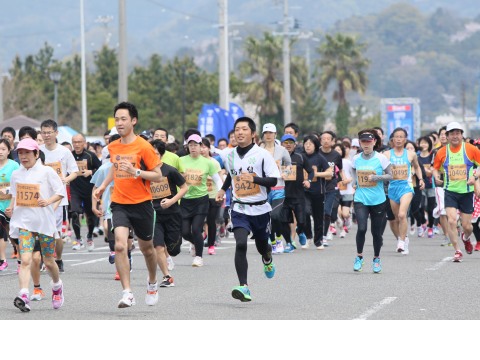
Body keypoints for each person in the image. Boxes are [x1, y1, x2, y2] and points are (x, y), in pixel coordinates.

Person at [93, 102, 162, 308]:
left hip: (142, 204)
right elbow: (115, 168)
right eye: (117, 119)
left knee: (147, 249)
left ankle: (152, 282)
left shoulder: (144, 146)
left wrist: (136, 172)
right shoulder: (113, 147)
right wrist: (104, 185)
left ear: (133, 120)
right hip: (120, 203)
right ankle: (127, 292)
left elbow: (158, 176)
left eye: (124, 119)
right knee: (120, 245)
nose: (120, 123)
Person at [215, 116, 280, 302]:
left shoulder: (262, 155)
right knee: (241, 243)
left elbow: (273, 180)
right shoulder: (229, 155)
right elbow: (232, 176)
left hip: (260, 209)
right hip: (239, 208)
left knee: (262, 246)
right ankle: (244, 287)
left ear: (253, 134)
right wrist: (222, 189)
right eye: (237, 129)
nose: (240, 132)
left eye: (244, 129)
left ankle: (267, 258)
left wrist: (254, 179)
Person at [7, 138, 66, 312]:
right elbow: (15, 194)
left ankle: (57, 286)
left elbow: (60, 192)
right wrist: (11, 206)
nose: (23, 156)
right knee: (25, 260)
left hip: (44, 223)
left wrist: (47, 201)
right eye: (20, 153)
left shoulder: (47, 172)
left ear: (36, 153)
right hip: (24, 223)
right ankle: (24, 295)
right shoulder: (16, 174)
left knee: (48, 261)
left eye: (27, 153)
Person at [432, 121, 480, 262]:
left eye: (457, 133)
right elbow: (435, 168)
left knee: (467, 226)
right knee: (452, 221)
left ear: (461, 135)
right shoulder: (442, 152)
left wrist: (474, 177)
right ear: (447, 136)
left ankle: (466, 238)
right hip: (450, 191)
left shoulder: (471, 149)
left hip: (466, 192)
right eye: (452, 133)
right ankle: (457, 251)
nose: (455, 136)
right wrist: (436, 176)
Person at [39, 119, 79, 272]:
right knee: (42, 231)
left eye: (49, 132)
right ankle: (45, 259)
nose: (47, 135)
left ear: (56, 133)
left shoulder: (64, 151)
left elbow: (74, 171)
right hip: (41, 197)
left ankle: (59, 258)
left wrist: (65, 179)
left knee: (55, 233)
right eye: (44, 132)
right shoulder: (38, 150)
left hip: (58, 199)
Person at [179, 134, 223, 267]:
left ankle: (198, 257)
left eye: (196, 145)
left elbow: (217, 179)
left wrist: (221, 193)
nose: (193, 148)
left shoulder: (208, 162)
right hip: (185, 200)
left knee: (196, 229)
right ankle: (196, 242)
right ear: (187, 146)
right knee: (185, 231)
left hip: (201, 200)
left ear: (200, 147)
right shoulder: (181, 160)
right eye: (190, 145)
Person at [351, 130, 392, 273]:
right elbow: (353, 171)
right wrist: (354, 182)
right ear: (360, 143)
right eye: (363, 142)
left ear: (374, 142)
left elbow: (391, 175)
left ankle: (376, 258)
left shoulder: (381, 158)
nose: (366, 145)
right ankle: (359, 257)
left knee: (376, 233)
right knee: (361, 228)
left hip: (378, 199)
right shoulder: (356, 158)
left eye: (369, 142)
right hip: (361, 198)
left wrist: (376, 178)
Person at [150, 140, 187, 287]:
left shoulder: (170, 170)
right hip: (154, 215)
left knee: (174, 249)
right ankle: (167, 276)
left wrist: (171, 201)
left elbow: (184, 188)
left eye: (156, 154)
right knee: (157, 246)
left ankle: (170, 253)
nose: (153, 156)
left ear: (161, 155)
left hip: (172, 213)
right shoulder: (146, 172)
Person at [383, 127, 424, 255]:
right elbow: (380, 170)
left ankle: (401, 241)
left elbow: (417, 168)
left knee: (402, 214)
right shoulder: (387, 154)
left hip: (406, 187)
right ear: (393, 139)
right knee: (396, 217)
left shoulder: (410, 154)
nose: (399, 139)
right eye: (397, 137)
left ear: (405, 139)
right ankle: (404, 239)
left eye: (401, 137)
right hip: (392, 188)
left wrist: (421, 179)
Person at [260, 123, 291, 253]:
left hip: (278, 187)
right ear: (263, 135)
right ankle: (272, 241)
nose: (268, 135)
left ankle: (279, 239)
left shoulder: (282, 150)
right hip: (263, 189)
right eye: (266, 133)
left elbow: (289, 165)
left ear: (275, 135)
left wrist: (286, 173)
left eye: (271, 133)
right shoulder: (258, 150)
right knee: (267, 217)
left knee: (275, 215)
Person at [279, 134, 313, 252]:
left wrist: (308, 180)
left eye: (290, 142)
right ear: (281, 144)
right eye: (285, 142)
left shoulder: (301, 157)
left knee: (302, 221)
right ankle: (289, 243)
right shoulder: (277, 158)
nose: (288, 145)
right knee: (283, 221)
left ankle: (300, 232)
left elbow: (311, 171)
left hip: (298, 195)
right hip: (282, 195)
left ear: (295, 145)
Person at [70, 133, 102, 251]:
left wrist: (91, 172)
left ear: (84, 143)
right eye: (75, 142)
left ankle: (89, 236)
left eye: (79, 142)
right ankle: (78, 239)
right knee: (74, 213)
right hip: (75, 190)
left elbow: (100, 169)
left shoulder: (90, 155)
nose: (77, 145)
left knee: (90, 216)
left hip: (89, 190)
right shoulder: (69, 156)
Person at [300, 135, 332, 249]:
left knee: (318, 217)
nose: (307, 146)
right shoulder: (301, 157)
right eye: (306, 143)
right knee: (305, 212)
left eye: (310, 144)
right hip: (303, 191)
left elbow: (330, 172)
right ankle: (308, 236)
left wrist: (316, 174)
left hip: (318, 191)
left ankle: (318, 241)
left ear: (315, 145)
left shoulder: (319, 157)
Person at [200, 137, 224, 255]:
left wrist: (222, 193)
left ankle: (211, 245)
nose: (202, 149)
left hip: (213, 196)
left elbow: (220, 179)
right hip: (199, 195)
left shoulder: (214, 162)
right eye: (200, 147)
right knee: (198, 220)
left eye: (204, 147)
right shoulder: (196, 162)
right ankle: (197, 241)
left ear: (209, 148)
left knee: (211, 220)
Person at [319, 131, 344, 246]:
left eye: (328, 138)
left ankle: (324, 236)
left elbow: (341, 170)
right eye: (323, 138)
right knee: (316, 213)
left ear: (332, 141)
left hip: (331, 187)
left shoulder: (336, 155)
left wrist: (344, 180)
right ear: (320, 141)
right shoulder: (316, 153)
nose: (326, 140)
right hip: (317, 187)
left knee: (327, 212)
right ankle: (318, 234)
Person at [0, 139, 19, 271]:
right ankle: (3, 260)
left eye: (3, 149)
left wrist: (12, 205)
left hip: (12, 205)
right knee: (1, 229)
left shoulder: (14, 166)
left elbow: (19, 186)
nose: (0, 152)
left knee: (13, 234)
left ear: (8, 151)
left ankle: (20, 260)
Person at [334, 143, 354, 238]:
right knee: (338, 212)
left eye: (339, 150)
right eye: (335, 150)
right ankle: (342, 230)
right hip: (336, 191)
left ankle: (348, 217)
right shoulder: (331, 162)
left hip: (347, 191)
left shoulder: (348, 162)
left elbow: (354, 175)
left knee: (345, 213)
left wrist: (348, 180)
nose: (337, 152)